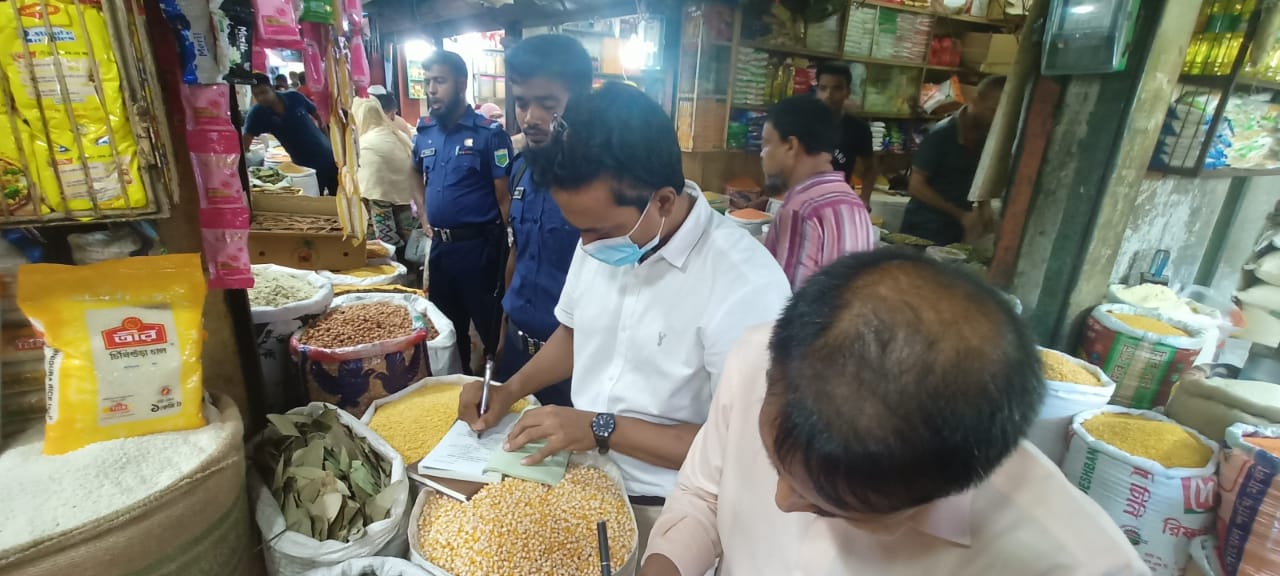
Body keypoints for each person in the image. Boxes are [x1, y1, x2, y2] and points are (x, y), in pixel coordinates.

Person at [639, 251, 1148, 576]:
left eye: (830, 507)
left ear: (945, 484)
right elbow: (704, 495)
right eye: (774, 464)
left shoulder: (1070, 562)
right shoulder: (759, 359)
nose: (782, 501)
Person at [458, 83, 791, 571]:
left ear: (663, 201)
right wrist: (510, 390)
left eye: (599, 232)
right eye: (579, 230)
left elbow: (740, 447)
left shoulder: (747, 286)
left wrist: (600, 427)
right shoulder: (604, 232)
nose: (587, 246)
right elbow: (576, 332)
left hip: (671, 513)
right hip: (580, 478)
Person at [495, 34, 592, 407]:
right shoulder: (520, 170)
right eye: (521, 103)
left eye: (547, 105)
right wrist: (505, 327)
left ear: (578, 101)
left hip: (576, 366)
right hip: (517, 352)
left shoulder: (599, 186)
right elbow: (517, 253)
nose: (530, 118)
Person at [413, 51, 514, 375]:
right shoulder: (425, 131)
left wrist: (509, 251)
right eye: (427, 81)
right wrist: (424, 214)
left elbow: (504, 198)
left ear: (460, 83)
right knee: (446, 330)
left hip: (479, 249)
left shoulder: (489, 134)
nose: (431, 89)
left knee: (491, 327)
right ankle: (456, 388)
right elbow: (413, 170)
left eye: (439, 81)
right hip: (441, 249)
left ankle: (499, 389)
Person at [761, 96, 876, 289]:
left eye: (766, 143)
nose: (762, 154)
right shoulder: (854, 204)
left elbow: (785, 299)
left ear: (791, 146)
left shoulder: (799, 211)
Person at [900, 75, 1006, 245]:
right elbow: (916, 185)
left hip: (955, 229)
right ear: (975, 101)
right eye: (992, 111)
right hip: (924, 226)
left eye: (1001, 114)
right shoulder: (942, 134)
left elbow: (978, 176)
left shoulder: (986, 137)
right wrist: (961, 214)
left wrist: (984, 208)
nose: (995, 118)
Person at [242, 73, 339, 195]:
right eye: (256, 95)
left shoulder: (294, 97)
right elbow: (245, 142)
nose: (261, 98)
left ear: (272, 88)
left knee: (338, 196)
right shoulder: (257, 113)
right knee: (313, 200)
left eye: (264, 92)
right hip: (304, 167)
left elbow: (318, 116)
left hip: (328, 156)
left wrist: (327, 139)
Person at [352, 97, 424, 256]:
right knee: (407, 250)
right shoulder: (399, 135)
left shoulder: (365, 144)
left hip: (381, 211)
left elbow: (374, 196)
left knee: (385, 249)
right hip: (408, 210)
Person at [814, 62, 875, 206]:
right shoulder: (802, 123)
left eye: (836, 88)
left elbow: (870, 168)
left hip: (837, 203)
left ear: (847, 92)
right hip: (802, 200)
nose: (828, 95)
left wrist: (865, 198)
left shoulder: (859, 129)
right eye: (823, 88)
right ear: (816, 91)